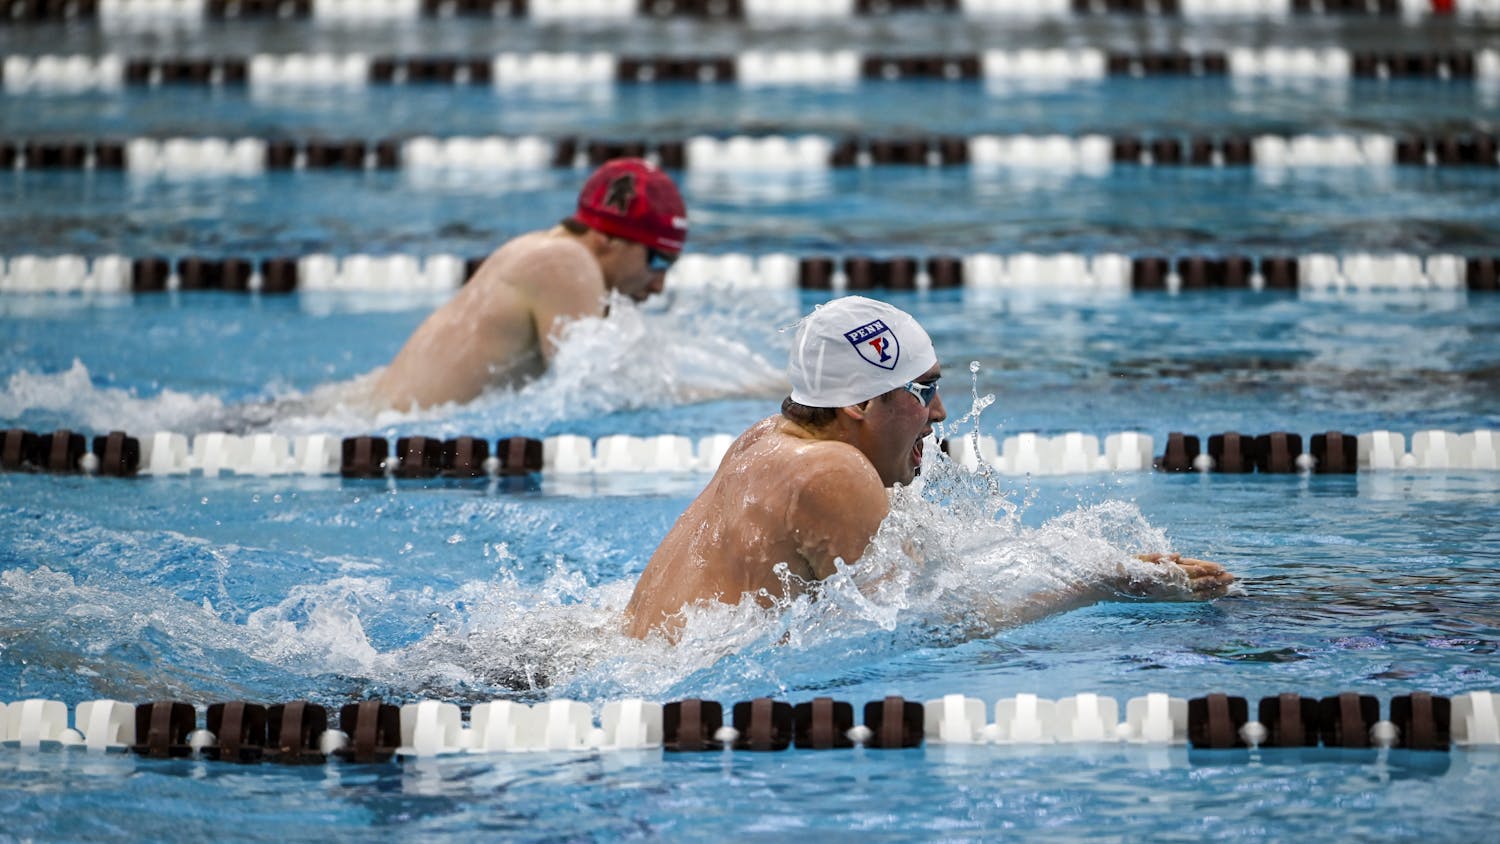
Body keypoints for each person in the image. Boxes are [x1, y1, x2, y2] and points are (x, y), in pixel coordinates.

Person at [624, 296, 1235, 639]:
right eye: (921, 391)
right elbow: (933, 625)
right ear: (859, 403)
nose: (939, 413)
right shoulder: (834, 472)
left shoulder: (766, 438)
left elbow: (931, 577)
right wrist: (1106, 584)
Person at [372, 158, 688, 411]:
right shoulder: (566, 264)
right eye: (658, 261)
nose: (659, 285)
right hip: (396, 432)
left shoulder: (546, 249)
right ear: (608, 237)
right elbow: (597, 395)